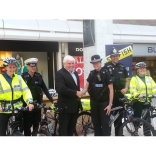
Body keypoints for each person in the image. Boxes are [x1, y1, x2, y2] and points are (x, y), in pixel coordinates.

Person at [21, 58, 56, 136]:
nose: (33, 67)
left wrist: (52, 100)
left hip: (37, 104)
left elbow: (45, 89)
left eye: (35, 66)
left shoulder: (38, 76)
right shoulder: (23, 77)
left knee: (36, 124)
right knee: (27, 125)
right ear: (27, 66)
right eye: (31, 66)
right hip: (27, 106)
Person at [0, 57, 34, 136]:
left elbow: (26, 90)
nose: (12, 69)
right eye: (10, 67)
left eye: (14, 67)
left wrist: (30, 102)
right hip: (3, 110)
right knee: (2, 132)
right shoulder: (0, 78)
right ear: (5, 68)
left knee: (18, 132)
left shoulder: (19, 78)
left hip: (17, 110)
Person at [81, 54, 113, 136]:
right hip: (94, 102)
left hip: (104, 103)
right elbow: (86, 87)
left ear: (100, 62)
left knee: (105, 124)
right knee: (96, 124)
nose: (95, 65)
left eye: (97, 62)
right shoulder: (91, 74)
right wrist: (80, 93)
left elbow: (111, 89)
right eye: (93, 63)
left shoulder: (106, 72)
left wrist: (110, 104)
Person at [103, 47, 129, 136]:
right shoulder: (106, 67)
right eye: (113, 56)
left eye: (117, 56)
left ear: (119, 56)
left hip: (119, 95)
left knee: (119, 116)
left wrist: (126, 88)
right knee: (108, 116)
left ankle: (119, 134)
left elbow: (127, 80)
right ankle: (108, 134)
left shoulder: (122, 66)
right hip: (109, 95)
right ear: (111, 57)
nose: (115, 57)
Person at [55, 55, 82, 136]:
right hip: (65, 107)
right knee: (63, 130)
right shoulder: (59, 74)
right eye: (69, 63)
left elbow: (75, 86)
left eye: (72, 63)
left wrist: (79, 92)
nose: (71, 65)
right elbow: (61, 88)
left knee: (71, 129)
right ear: (64, 64)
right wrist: (75, 92)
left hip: (74, 106)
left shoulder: (75, 72)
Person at [129, 62, 156, 131]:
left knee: (147, 119)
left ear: (146, 69)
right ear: (137, 70)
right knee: (137, 117)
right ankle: (135, 130)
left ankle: (147, 133)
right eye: (140, 68)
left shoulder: (149, 78)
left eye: (143, 68)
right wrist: (137, 95)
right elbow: (132, 89)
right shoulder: (134, 78)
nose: (142, 70)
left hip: (147, 101)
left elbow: (154, 87)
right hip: (138, 101)